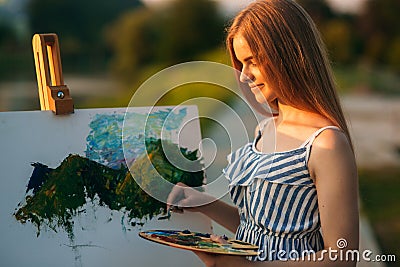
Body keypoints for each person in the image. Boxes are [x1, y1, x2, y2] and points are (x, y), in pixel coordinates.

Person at [167, 0, 359, 266]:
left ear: (288, 53)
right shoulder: (265, 128)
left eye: (252, 61)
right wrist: (204, 204)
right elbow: (262, 231)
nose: (244, 75)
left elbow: (342, 257)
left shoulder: (326, 143)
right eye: (240, 64)